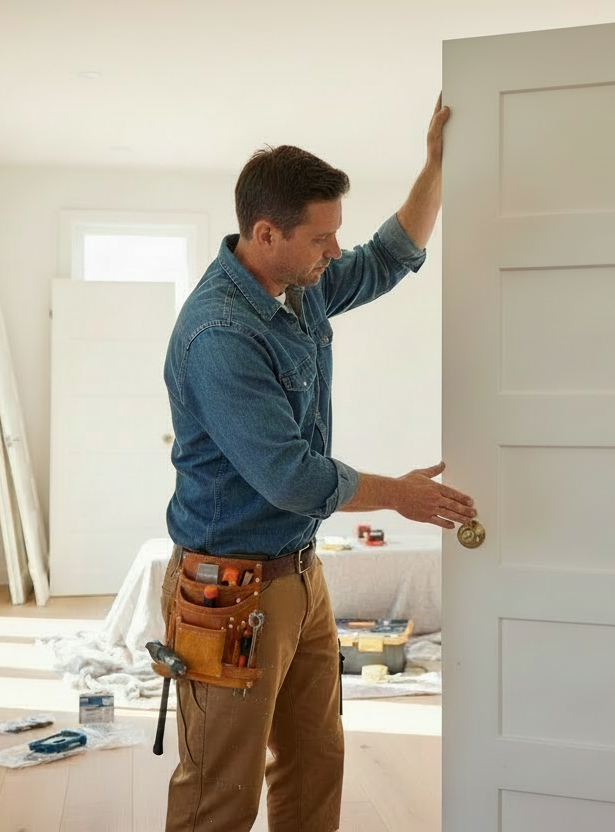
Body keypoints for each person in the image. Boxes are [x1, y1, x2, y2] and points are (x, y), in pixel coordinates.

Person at [159, 96, 476, 832]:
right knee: (219, 793)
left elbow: (390, 256)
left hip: (299, 575)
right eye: (321, 238)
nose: (335, 251)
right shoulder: (220, 334)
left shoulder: (294, 288)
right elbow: (293, 477)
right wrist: (400, 496)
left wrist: (436, 165)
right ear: (266, 233)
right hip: (229, 589)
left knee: (313, 764)